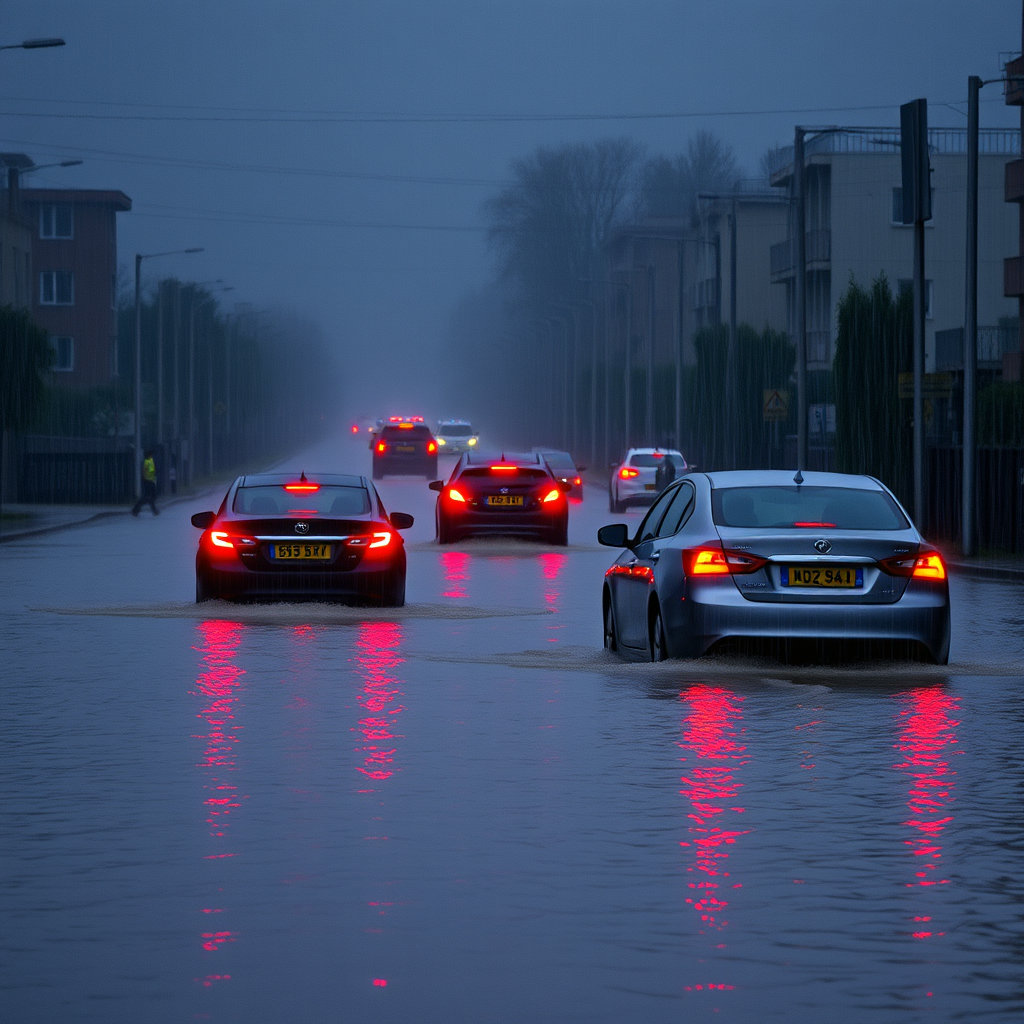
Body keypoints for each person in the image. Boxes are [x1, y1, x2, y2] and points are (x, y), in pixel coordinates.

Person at [131, 449, 160, 516]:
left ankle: (137, 510)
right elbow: (150, 471)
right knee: (149, 497)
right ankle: (136, 509)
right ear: (150, 455)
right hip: (149, 481)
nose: (152, 456)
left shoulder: (148, 461)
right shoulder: (148, 462)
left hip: (149, 480)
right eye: (152, 455)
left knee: (150, 497)